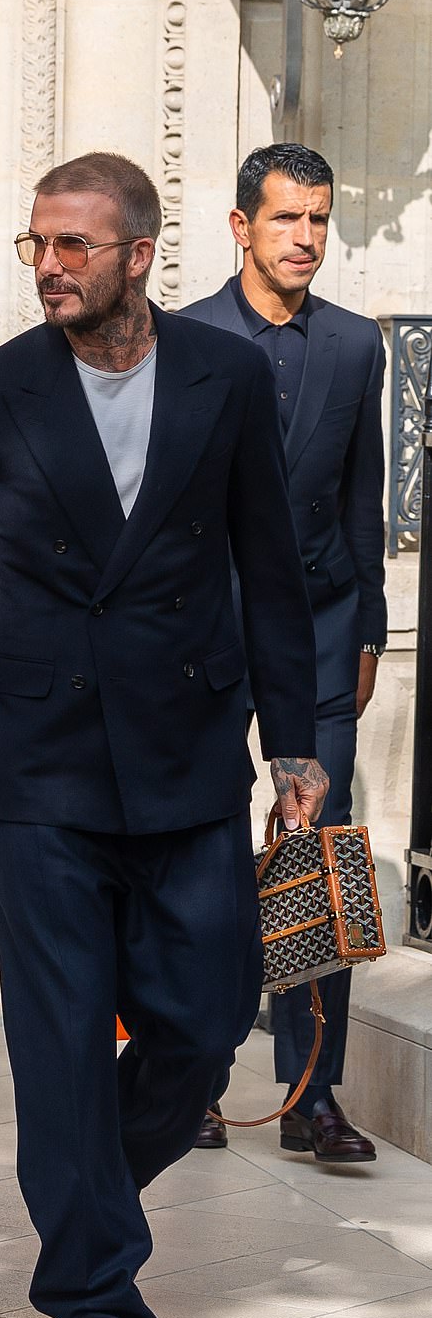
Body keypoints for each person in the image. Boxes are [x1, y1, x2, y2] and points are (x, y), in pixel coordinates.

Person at [0, 152, 328, 1318]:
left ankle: (80, 1187)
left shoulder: (224, 377)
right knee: (62, 1046)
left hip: (187, 752)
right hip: (43, 768)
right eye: (36, 245)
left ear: (137, 255)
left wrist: (295, 739)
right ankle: (93, 1305)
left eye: (75, 245)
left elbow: (267, 566)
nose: (50, 266)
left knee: (203, 1019)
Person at [183, 143, 387, 1163]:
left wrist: (367, 631)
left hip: (315, 632)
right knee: (204, 854)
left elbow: (361, 502)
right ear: (237, 227)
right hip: (202, 637)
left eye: (317, 218)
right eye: (284, 220)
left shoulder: (355, 347)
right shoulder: (177, 339)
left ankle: (313, 1093)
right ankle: (194, 1076)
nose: (305, 237)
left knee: (319, 856)